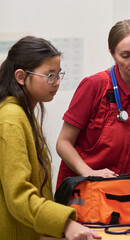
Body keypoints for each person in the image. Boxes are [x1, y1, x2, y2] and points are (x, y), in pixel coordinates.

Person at [0, 36, 101, 239]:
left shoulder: (23, 113)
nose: (56, 83)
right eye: (49, 75)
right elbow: (19, 196)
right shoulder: (11, 118)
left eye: (58, 75)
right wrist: (65, 224)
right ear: (21, 77)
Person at [56, 19, 130, 188]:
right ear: (113, 54)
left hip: (125, 191)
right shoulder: (94, 86)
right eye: (126, 55)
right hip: (84, 189)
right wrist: (90, 173)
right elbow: (63, 143)